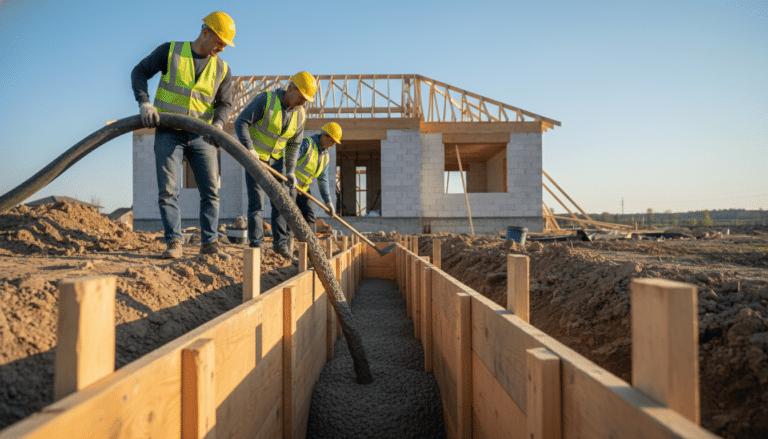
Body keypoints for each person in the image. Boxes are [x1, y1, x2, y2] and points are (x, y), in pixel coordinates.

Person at [131, 11, 235, 261]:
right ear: (205, 32)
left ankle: (210, 245)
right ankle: (174, 242)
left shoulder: (222, 69)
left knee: (210, 192)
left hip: (202, 136)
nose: (221, 48)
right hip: (169, 132)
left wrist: (219, 125)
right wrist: (145, 104)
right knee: (168, 190)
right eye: (220, 42)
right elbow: (139, 72)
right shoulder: (171, 51)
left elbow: (224, 104)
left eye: (225, 45)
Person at [234, 72, 316, 259]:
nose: (303, 103)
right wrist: (250, 149)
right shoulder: (266, 100)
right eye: (301, 98)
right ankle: (257, 246)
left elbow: (294, 144)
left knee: (281, 203)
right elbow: (241, 122)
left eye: (306, 100)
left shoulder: (300, 115)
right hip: (255, 159)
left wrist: (291, 171)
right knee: (257, 204)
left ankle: (280, 246)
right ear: (291, 88)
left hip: (277, 162)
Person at [283, 122, 342, 239]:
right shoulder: (307, 144)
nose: (332, 145)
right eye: (332, 141)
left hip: (303, 188)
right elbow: (289, 159)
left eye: (335, 143)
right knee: (291, 215)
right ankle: (287, 246)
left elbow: (323, 180)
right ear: (324, 136)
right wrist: (290, 174)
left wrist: (328, 202)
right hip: (291, 184)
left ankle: (311, 247)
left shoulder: (325, 156)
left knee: (310, 215)